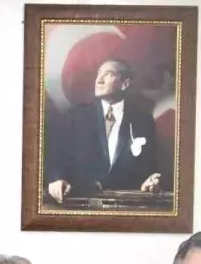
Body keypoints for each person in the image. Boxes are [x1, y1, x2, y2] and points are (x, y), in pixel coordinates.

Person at [46, 59, 161, 202]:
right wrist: (56, 179)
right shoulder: (76, 116)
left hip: (125, 204)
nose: (99, 80)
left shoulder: (143, 120)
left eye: (108, 74)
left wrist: (147, 182)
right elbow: (57, 158)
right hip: (79, 201)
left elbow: (148, 166)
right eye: (99, 74)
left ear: (125, 84)